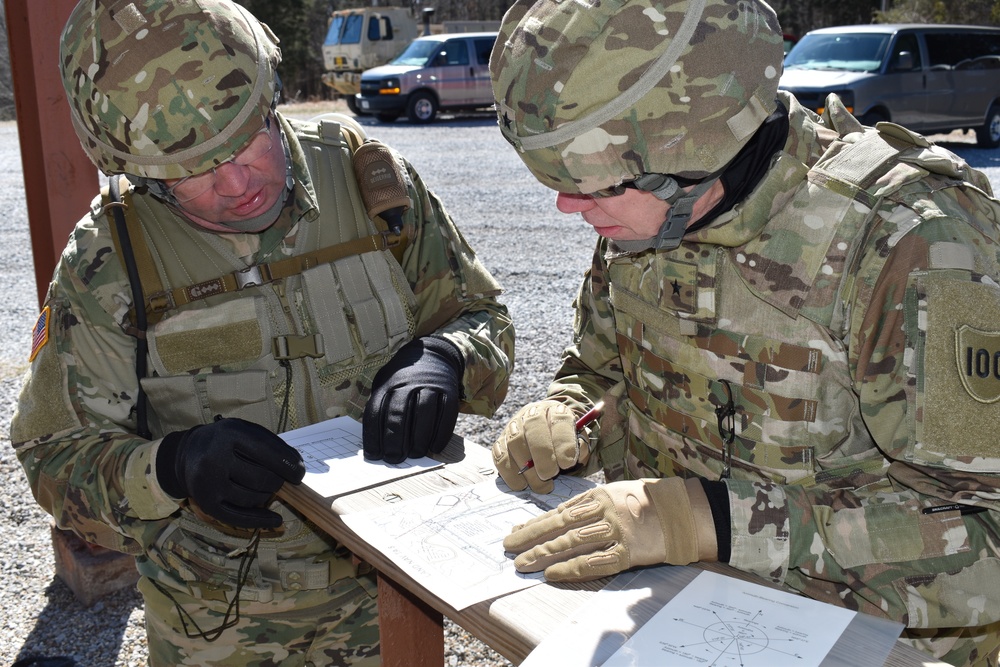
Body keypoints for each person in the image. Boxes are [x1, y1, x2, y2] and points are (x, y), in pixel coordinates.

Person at [488, 1, 1000, 665]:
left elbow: (985, 541)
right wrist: (568, 413)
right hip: (679, 623)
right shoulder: (646, 220)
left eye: (595, 185)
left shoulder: (911, 238)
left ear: (694, 153)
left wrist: (716, 522)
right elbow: (601, 366)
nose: (568, 205)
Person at [10, 0, 513, 665]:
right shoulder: (109, 263)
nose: (236, 182)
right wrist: (168, 466)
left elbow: (485, 320)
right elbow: (53, 457)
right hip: (217, 629)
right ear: (141, 174)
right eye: (192, 170)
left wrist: (448, 357)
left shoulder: (370, 185)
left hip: (389, 599)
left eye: (246, 137)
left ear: (271, 99)